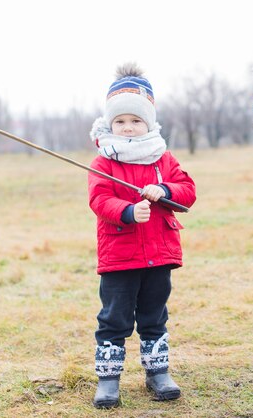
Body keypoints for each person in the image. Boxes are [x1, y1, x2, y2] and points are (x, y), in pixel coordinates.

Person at [87, 63, 196, 408]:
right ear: (109, 124)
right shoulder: (103, 161)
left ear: (149, 122)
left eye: (136, 121)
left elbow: (187, 190)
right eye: (120, 121)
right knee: (114, 317)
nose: (128, 127)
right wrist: (129, 211)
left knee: (154, 315)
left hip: (159, 253)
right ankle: (108, 379)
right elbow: (99, 198)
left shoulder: (162, 158)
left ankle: (157, 373)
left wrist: (164, 189)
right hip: (120, 256)